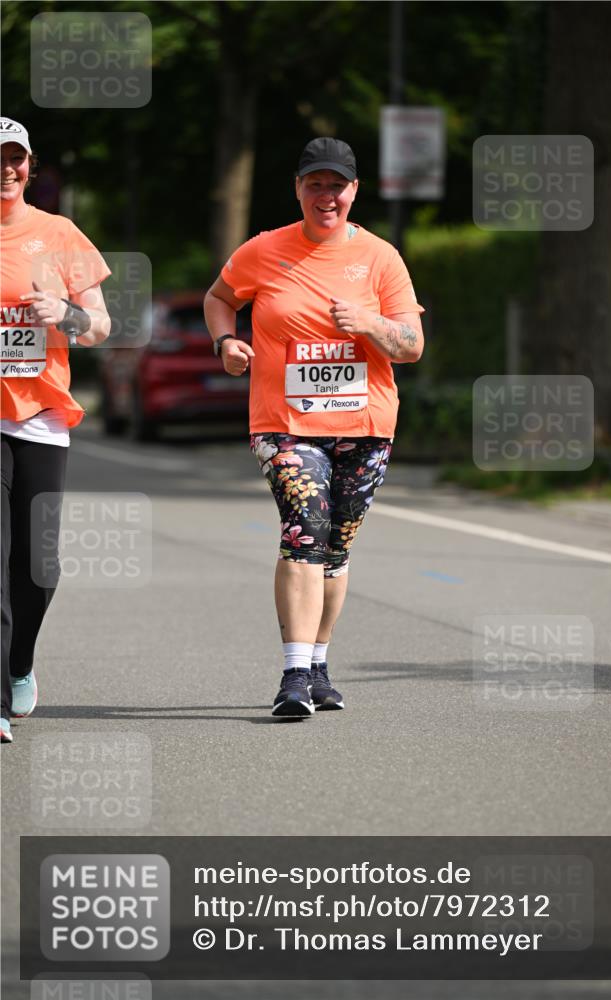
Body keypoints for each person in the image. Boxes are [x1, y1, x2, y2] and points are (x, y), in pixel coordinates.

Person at [204, 136, 423, 718]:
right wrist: (226, 340)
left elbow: (412, 345)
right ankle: (294, 675)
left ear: (355, 190)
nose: (327, 195)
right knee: (305, 529)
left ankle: (319, 663)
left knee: (336, 545)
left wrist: (370, 323)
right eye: (315, 183)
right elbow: (220, 297)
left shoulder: (380, 258)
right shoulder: (264, 250)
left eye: (337, 185)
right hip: (286, 423)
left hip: (366, 423)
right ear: (298, 188)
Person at [0, 118, 111, 743]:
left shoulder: (59, 235)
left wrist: (62, 312)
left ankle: (20, 664)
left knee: (38, 567)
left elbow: (99, 326)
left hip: (41, 416)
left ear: (30, 166)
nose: (6, 170)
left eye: (16, 159)